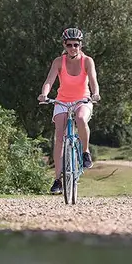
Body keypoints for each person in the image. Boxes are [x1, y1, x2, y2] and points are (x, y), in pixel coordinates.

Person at [37, 27, 101, 194]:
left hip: (83, 100)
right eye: (70, 45)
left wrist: (95, 93)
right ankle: (58, 179)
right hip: (62, 100)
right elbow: (49, 81)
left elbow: (93, 79)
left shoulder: (87, 61)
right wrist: (44, 94)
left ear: (81, 45)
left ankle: (85, 152)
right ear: (64, 45)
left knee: (80, 118)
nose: (74, 48)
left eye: (77, 44)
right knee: (59, 135)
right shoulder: (59, 61)